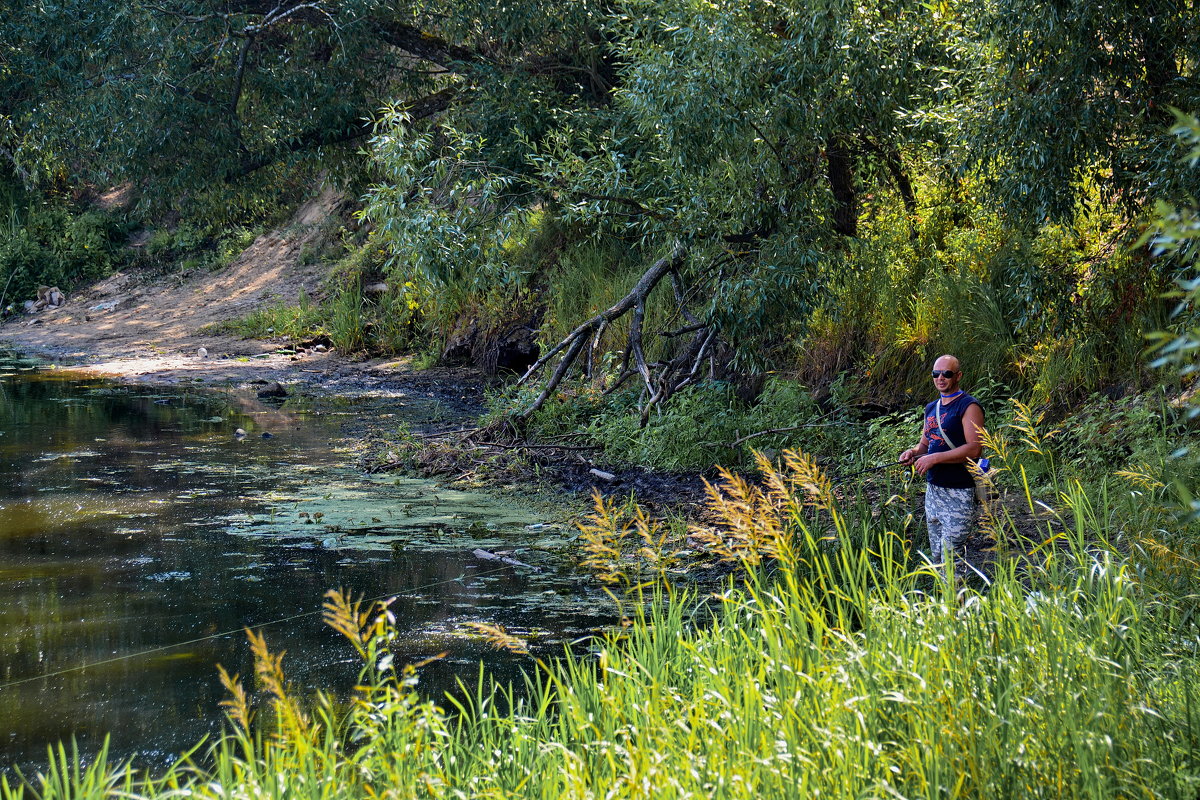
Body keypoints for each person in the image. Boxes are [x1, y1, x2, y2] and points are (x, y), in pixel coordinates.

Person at [899, 355, 984, 560]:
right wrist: (912, 453)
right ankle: (943, 593)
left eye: (946, 373)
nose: (941, 378)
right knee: (937, 556)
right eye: (936, 374)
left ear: (958, 376)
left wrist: (934, 458)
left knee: (952, 557)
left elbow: (974, 449)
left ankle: (958, 593)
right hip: (933, 491)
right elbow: (924, 446)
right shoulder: (931, 408)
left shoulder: (968, 406)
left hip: (960, 491)